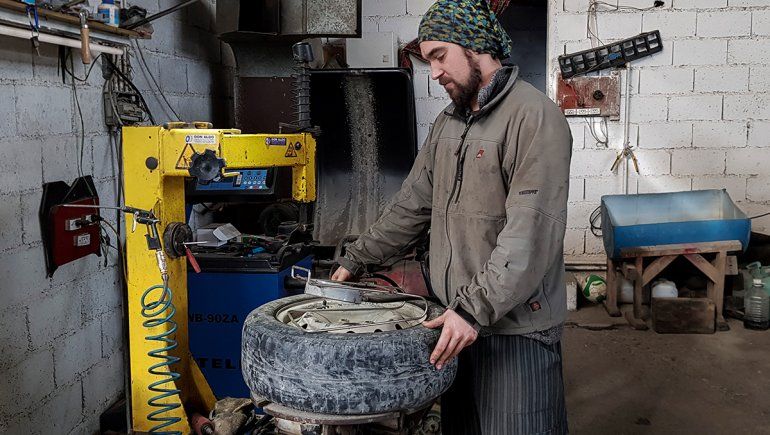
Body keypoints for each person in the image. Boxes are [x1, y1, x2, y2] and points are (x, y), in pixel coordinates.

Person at [332, 0, 572, 432]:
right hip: (454, 319)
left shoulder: (534, 118)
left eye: (440, 57)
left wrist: (473, 310)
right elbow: (411, 204)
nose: (435, 72)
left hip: (514, 327)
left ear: (476, 45)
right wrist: (356, 258)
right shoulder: (449, 122)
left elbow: (529, 234)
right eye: (428, 62)